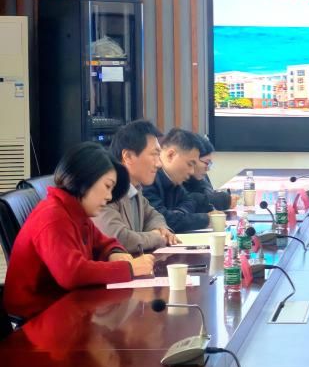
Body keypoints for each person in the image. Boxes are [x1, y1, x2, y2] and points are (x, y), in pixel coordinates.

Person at [3, 143, 155, 319]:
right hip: (37, 319)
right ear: (85, 180)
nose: (109, 196)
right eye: (107, 186)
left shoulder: (76, 212)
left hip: (65, 307)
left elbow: (105, 242)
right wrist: (129, 268)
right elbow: (72, 274)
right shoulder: (53, 216)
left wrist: (115, 253)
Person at [93, 120, 179, 254]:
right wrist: (157, 237)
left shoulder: (135, 188)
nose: (159, 164)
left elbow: (154, 216)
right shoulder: (107, 191)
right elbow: (119, 239)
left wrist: (161, 229)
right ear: (128, 156)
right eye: (154, 154)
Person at [143, 128, 211, 233]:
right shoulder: (148, 179)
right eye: (190, 164)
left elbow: (189, 201)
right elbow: (163, 220)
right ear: (171, 155)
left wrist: (178, 214)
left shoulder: (173, 180)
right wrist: (205, 220)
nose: (192, 171)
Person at [183, 135, 235, 212]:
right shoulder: (176, 180)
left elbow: (208, 193)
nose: (208, 168)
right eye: (207, 162)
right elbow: (186, 201)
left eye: (210, 163)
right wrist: (223, 200)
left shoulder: (198, 176)